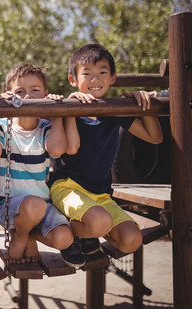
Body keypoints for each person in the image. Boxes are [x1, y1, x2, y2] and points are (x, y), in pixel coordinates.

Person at [48, 43, 163, 255]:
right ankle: (70, 230)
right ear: (73, 80)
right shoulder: (66, 108)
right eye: (87, 73)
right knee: (99, 222)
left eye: (102, 72)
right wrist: (71, 108)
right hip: (67, 187)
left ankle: (88, 232)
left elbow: (154, 137)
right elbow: (71, 149)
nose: (95, 79)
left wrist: (146, 105)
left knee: (131, 239)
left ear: (113, 77)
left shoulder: (114, 111)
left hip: (100, 195)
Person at [0, 62, 85, 267]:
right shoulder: (3, 126)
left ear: (46, 93)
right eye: (20, 91)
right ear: (8, 95)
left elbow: (56, 149)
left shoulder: (46, 127)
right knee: (34, 205)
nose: (27, 97)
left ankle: (28, 235)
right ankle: (20, 235)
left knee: (65, 238)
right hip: (8, 206)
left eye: (35, 90)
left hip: (41, 206)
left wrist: (55, 114)